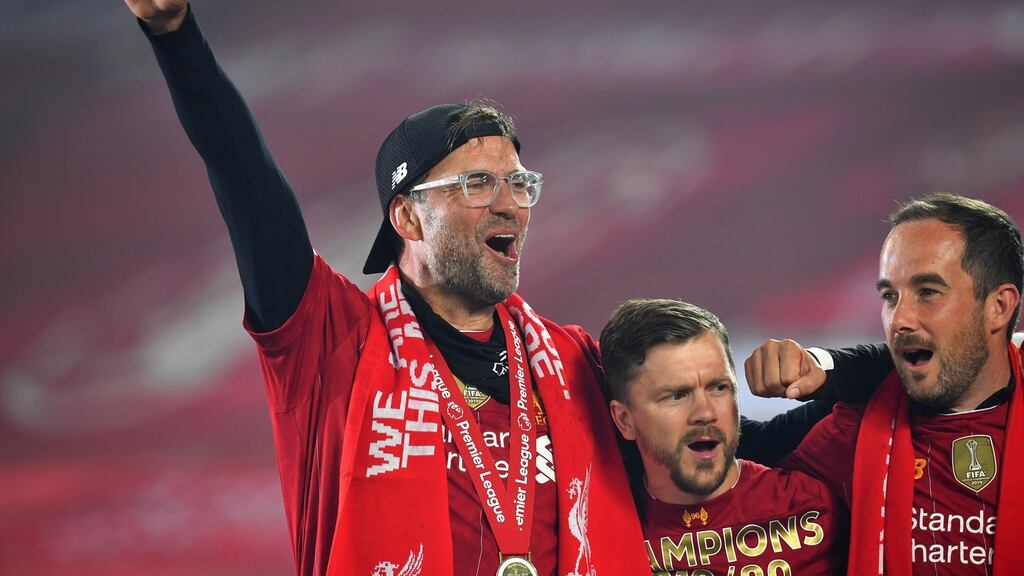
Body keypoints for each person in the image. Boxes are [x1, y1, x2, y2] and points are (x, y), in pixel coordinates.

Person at [123, 1, 847, 574]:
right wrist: (177, 38)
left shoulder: (573, 363)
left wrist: (846, 374)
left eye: (519, 184)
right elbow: (250, 188)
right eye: (477, 184)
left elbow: (718, 444)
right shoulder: (331, 341)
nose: (510, 204)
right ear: (407, 215)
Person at [746, 194, 1024, 574]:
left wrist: (832, 367)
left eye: (928, 292)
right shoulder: (852, 428)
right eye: (890, 296)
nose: (899, 319)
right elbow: (733, 459)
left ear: (999, 306)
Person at [599, 298, 846, 574]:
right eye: (677, 395)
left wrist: (824, 364)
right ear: (624, 420)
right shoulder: (595, 539)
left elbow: (899, 370)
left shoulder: (816, 498)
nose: (705, 412)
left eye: (718, 388)